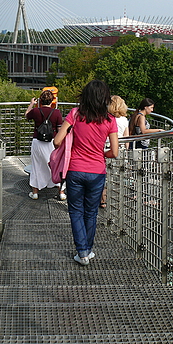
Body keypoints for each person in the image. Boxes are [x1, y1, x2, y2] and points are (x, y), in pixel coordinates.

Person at [53, 80, 119, 266]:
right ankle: (87, 250)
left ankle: (82, 251)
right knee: (91, 213)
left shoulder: (75, 114)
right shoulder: (110, 120)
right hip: (97, 171)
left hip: (75, 169)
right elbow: (114, 152)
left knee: (75, 211)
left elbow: (57, 141)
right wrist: (100, 153)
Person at [25, 89, 65, 200]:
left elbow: (27, 115)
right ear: (52, 101)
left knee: (37, 166)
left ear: (40, 100)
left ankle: (35, 192)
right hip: (52, 142)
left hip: (37, 142)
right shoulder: (56, 113)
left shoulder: (36, 111)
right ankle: (61, 191)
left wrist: (31, 104)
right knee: (55, 165)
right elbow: (59, 128)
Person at [100, 95, 129, 208]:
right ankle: (107, 198)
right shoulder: (124, 120)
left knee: (103, 174)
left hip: (106, 148)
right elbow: (126, 138)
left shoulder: (105, 118)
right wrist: (127, 152)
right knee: (114, 177)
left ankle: (102, 198)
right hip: (119, 150)